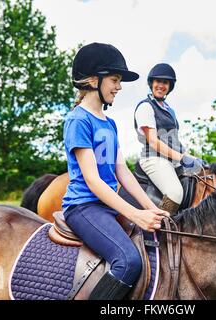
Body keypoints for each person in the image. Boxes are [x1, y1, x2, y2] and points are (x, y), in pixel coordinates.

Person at [62, 43, 169, 300]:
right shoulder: (78, 120)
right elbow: (93, 180)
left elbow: (122, 171)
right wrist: (134, 214)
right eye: (114, 80)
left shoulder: (109, 123)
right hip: (84, 207)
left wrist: (149, 208)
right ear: (92, 80)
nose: (119, 87)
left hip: (106, 207)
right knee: (128, 261)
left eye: (119, 81)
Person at [134, 63, 207, 214]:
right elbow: (153, 141)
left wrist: (191, 157)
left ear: (170, 86)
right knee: (175, 193)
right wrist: (182, 158)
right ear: (151, 83)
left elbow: (174, 140)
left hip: (171, 159)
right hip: (153, 158)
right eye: (158, 81)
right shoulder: (145, 107)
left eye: (165, 82)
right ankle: (158, 230)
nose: (161, 85)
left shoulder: (170, 110)